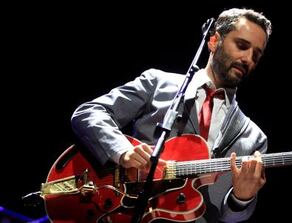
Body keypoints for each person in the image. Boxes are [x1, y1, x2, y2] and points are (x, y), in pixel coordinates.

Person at [71, 8, 272, 223]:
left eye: (256, 55)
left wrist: (241, 198)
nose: (248, 59)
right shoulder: (158, 84)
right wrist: (123, 151)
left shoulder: (254, 138)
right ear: (214, 41)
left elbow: (231, 217)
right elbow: (89, 113)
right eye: (242, 46)